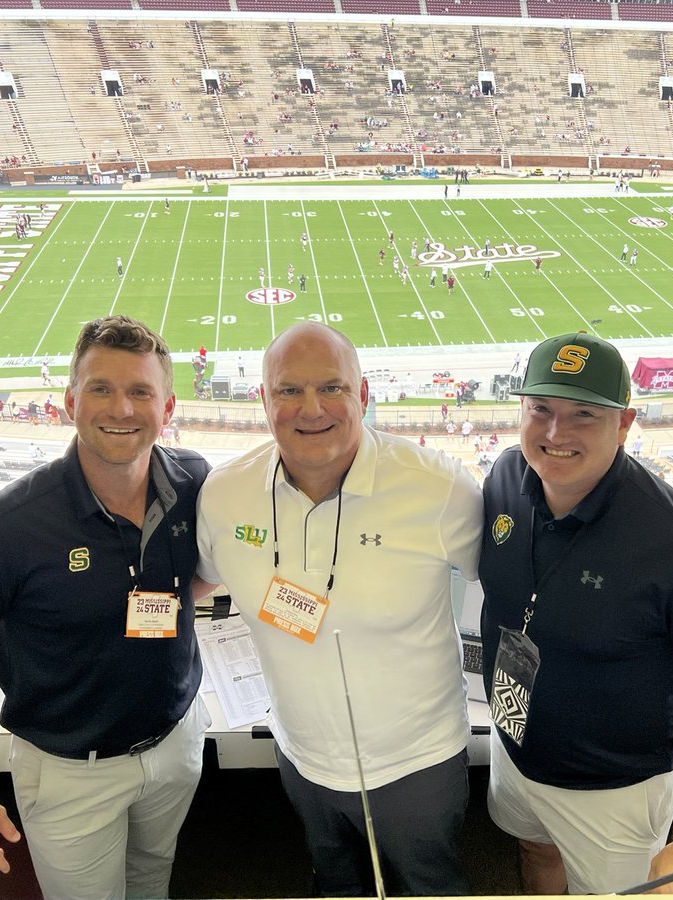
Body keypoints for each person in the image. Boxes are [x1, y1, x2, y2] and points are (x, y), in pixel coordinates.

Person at [0, 317, 212, 899]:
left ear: (167, 406)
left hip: (175, 742)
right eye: (101, 388)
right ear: (69, 401)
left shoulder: (195, 483)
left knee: (152, 879)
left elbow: (192, 581)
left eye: (140, 392)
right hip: (70, 769)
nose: (121, 408)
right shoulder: (7, 525)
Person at [194, 323, 482, 896]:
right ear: (264, 400)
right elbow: (198, 582)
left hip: (417, 764)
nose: (311, 409)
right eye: (288, 391)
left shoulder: (437, 488)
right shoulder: (225, 494)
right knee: (336, 882)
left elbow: (501, 585)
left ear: (363, 395)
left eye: (332, 388)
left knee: (432, 886)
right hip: (302, 757)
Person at [479, 332, 673, 894]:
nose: (556, 433)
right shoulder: (507, 478)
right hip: (514, 744)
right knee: (535, 852)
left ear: (625, 422)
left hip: (615, 790)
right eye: (541, 409)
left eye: (584, 414)